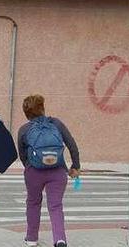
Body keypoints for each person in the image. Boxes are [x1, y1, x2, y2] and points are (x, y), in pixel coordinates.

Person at [16, 94, 80, 247]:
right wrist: (75, 167)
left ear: (26, 113)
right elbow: (72, 144)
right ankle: (59, 239)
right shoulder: (56, 123)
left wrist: (31, 168)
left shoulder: (24, 129)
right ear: (43, 109)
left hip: (34, 172)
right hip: (57, 171)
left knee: (33, 203)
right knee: (56, 205)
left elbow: (22, 154)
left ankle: (31, 239)